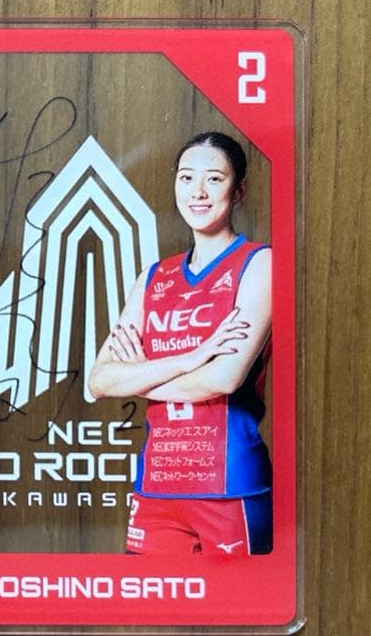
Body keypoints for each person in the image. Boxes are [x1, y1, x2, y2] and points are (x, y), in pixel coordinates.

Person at [87, 132, 272, 557]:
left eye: (214, 179)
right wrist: (193, 357)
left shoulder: (258, 263)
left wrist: (140, 377)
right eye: (187, 178)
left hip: (230, 486)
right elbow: (99, 381)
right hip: (156, 488)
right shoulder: (153, 277)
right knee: (149, 602)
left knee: (236, 603)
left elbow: (224, 378)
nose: (198, 192)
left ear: (238, 190)